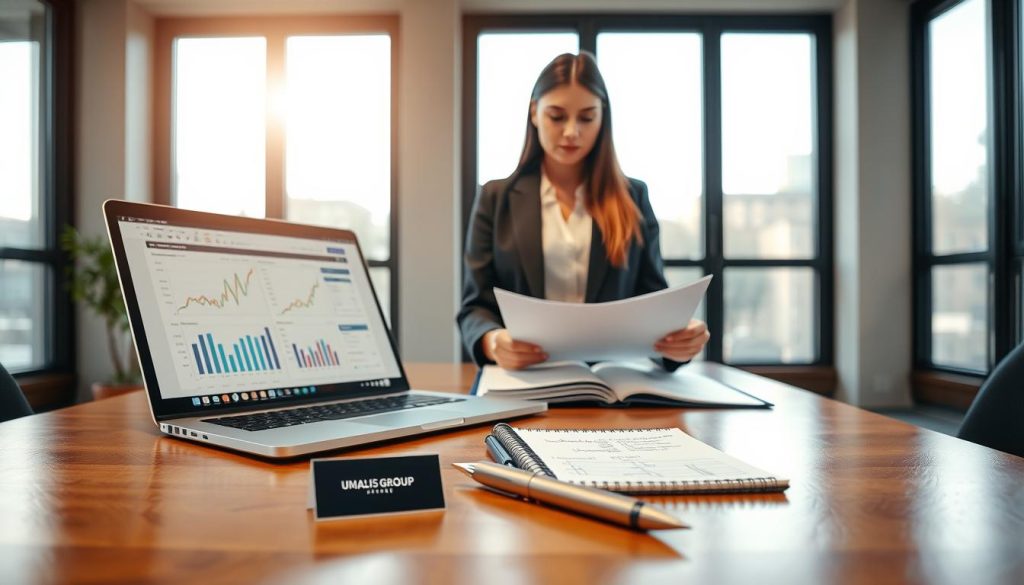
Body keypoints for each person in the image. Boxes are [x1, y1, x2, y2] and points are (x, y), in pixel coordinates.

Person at [458, 52, 710, 370]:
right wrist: (493, 342)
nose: (572, 132)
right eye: (557, 116)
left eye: (587, 117)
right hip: (526, 379)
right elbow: (474, 308)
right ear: (534, 113)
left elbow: (652, 302)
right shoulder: (496, 198)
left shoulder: (633, 196)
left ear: (603, 118)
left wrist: (679, 344)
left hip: (614, 384)